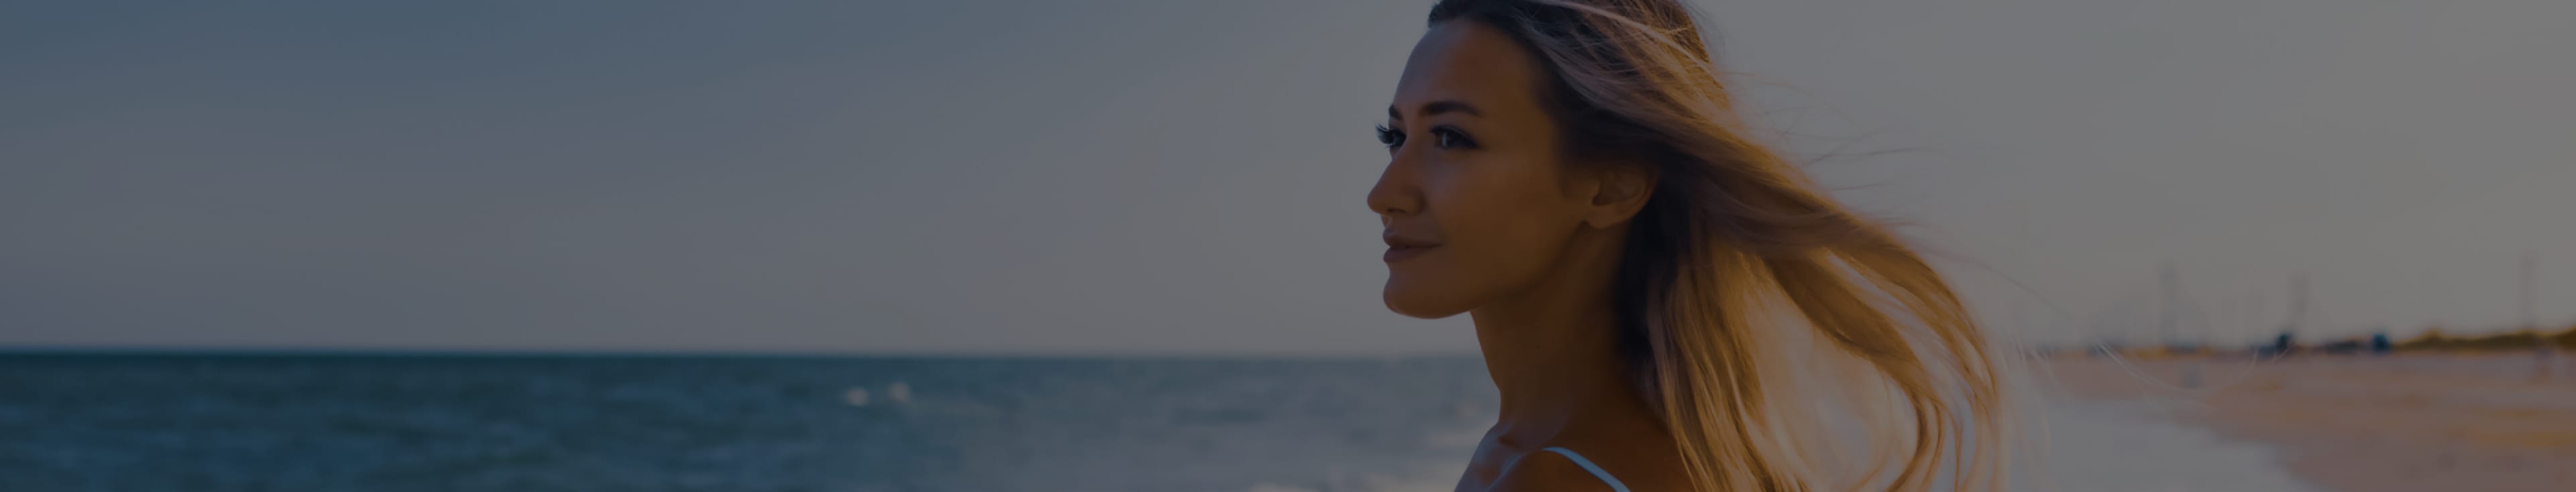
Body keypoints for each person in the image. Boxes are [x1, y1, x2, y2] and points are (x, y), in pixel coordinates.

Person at [1365, 1, 2015, 490]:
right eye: (1394, 137)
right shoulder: (1553, 449)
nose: (1386, 191)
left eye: (1451, 138)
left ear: (1611, 185)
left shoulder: (1556, 475)